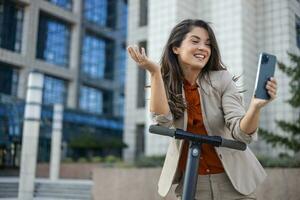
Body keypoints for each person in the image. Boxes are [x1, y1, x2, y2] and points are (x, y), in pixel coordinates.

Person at [127, 19, 277, 200]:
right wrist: (155, 73)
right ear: (176, 48)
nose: (203, 48)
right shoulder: (166, 83)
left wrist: (255, 107)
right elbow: (163, 121)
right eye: (195, 41)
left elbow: (242, 133)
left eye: (208, 44)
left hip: (231, 180)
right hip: (192, 181)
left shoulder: (222, 79)